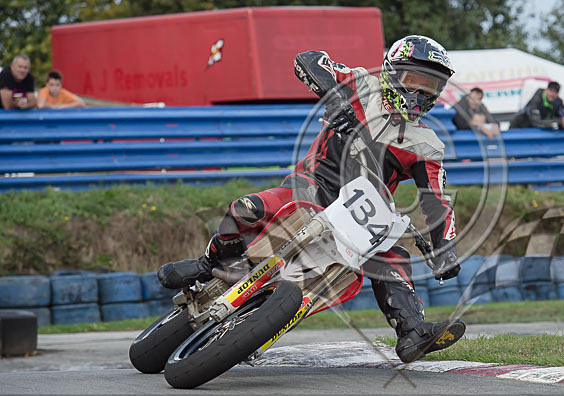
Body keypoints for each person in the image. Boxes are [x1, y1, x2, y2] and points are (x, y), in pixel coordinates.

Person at [158, 35, 465, 363]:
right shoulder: (361, 83)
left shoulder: (427, 145)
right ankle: (207, 265)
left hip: (361, 215)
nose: (421, 92)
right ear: (392, 71)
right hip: (308, 189)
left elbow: (436, 199)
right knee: (246, 209)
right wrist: (336, 100)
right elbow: (309, 59)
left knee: (393, 256)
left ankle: (411, 331)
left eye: (432, 85)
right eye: (414, 80)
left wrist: (445, 249)